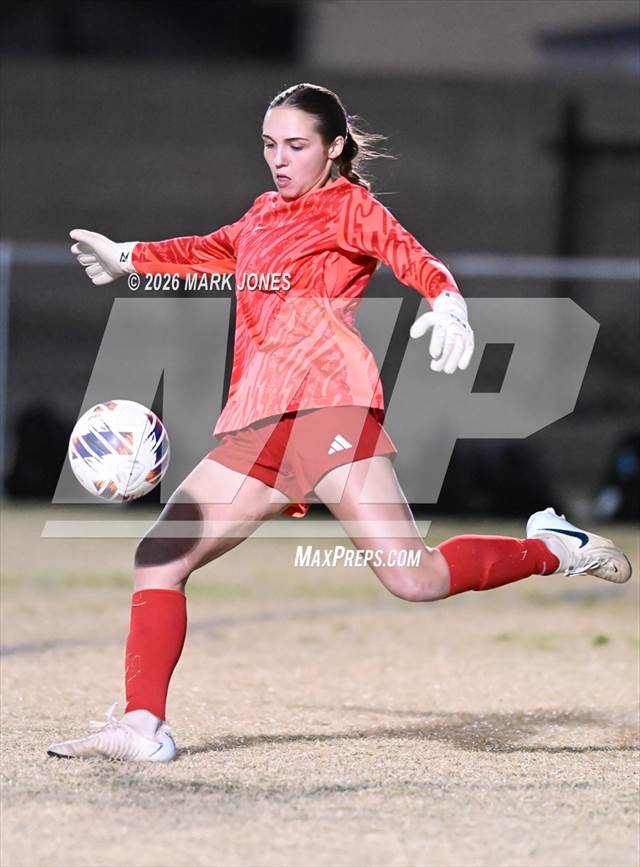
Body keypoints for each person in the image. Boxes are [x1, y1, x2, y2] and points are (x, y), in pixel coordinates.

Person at [48, 83, 632, 763]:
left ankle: (550, 548)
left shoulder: (349, 207)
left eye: (296, 145)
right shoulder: (264, 213)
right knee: (157, 557)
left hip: (330, 406)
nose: (279, 158)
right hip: (258, 424)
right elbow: (212, 251)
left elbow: (413, 256)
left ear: (333, 148)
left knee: (415, 579)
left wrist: (449, 304)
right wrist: (128, 257)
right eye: (270, 144)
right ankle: (143, 726)